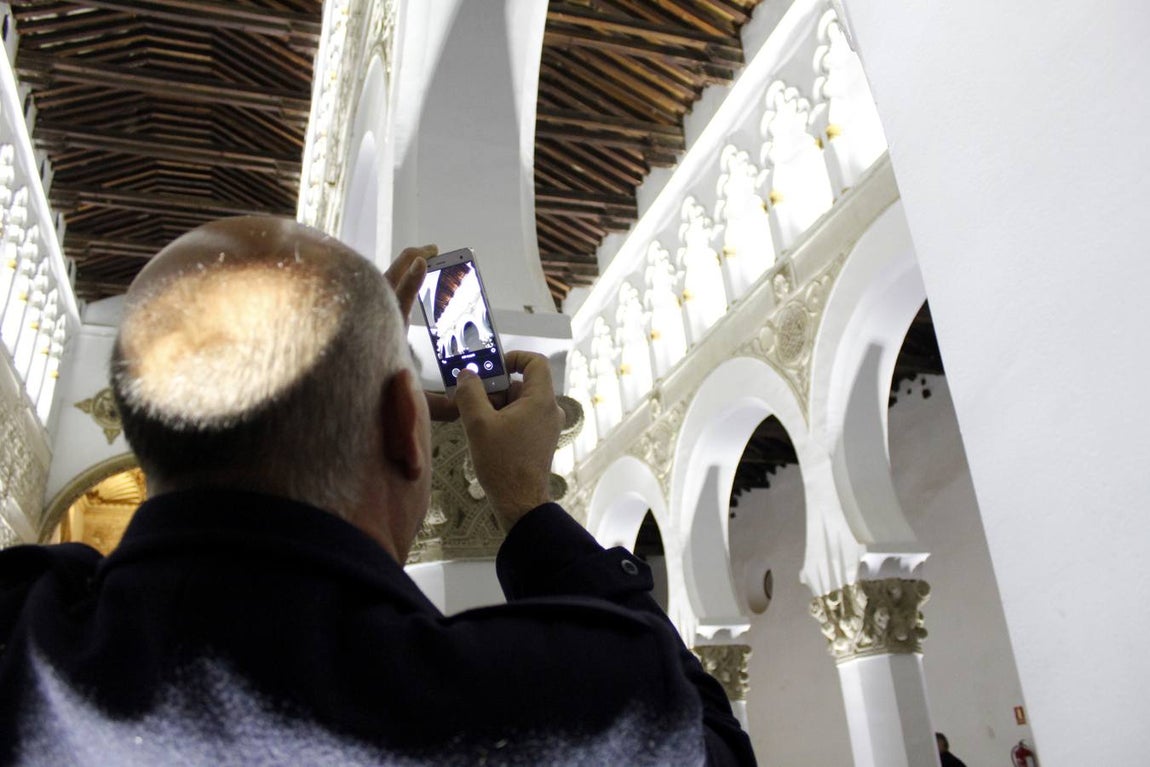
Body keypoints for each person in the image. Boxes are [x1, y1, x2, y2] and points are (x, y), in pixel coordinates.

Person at [0, 216, 755, 766]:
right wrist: (526, 501)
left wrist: (347, 362)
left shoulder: (21, 644)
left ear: (138, 431)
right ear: (407, 423)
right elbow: (711, 744)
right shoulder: (557, 705)